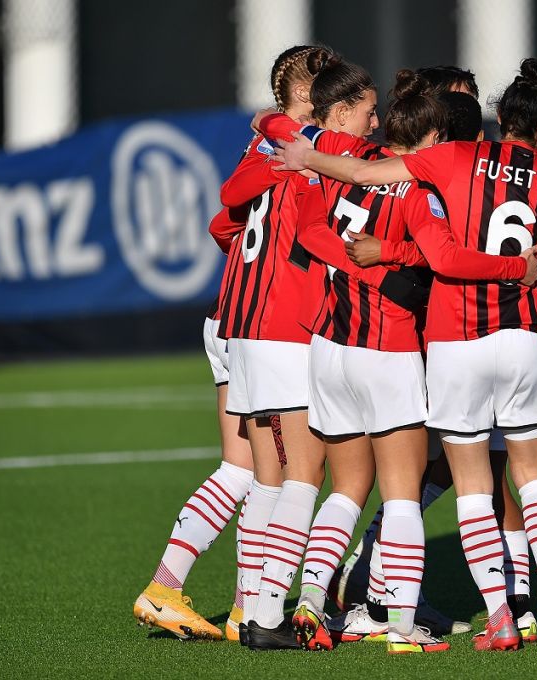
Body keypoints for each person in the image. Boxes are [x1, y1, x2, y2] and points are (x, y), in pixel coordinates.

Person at [272, 58, 537, 650]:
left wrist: (306, 153)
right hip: (527, 337)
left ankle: (497, 617)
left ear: (498, 119)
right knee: (531, 473)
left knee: (469, 483)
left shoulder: (451, 159)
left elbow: (368, 176)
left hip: (449, 340)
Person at [259, 65, 537, 654]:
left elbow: (306, 217)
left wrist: (349, 258)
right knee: (404, 492)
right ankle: (402, 625)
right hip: (386, 349)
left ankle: (310, 603)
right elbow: (445, 260)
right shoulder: (420, 190)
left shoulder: (342, 163)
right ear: (434, 140)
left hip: (328, 347)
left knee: (345, 487)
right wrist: (517, 267)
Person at [336, 79, 537, 643]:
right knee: (459, 472)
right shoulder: (445, 173)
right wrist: (517, 269)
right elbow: (440, 254)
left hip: (429, 339)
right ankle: (392, 594)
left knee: (459, 471)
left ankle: (381, 585)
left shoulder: (387, 166)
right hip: (446, 337)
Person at [212, 44, 337, 651]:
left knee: (268, 476)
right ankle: (265, 613)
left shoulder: (264, 149)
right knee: (304, 475)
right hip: (292, 325)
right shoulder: (316, 154)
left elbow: (223, 215)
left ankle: (245, 606)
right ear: (315, 98)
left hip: (249, 327)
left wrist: (268, 128)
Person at [131, 238, 254, 642]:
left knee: (241, 469)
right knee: (279, 475)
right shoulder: (318, 177)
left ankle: (176, 590)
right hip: (262, 325)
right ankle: (246, 609)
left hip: (224, 316)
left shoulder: (259, 173)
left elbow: (220, 226)